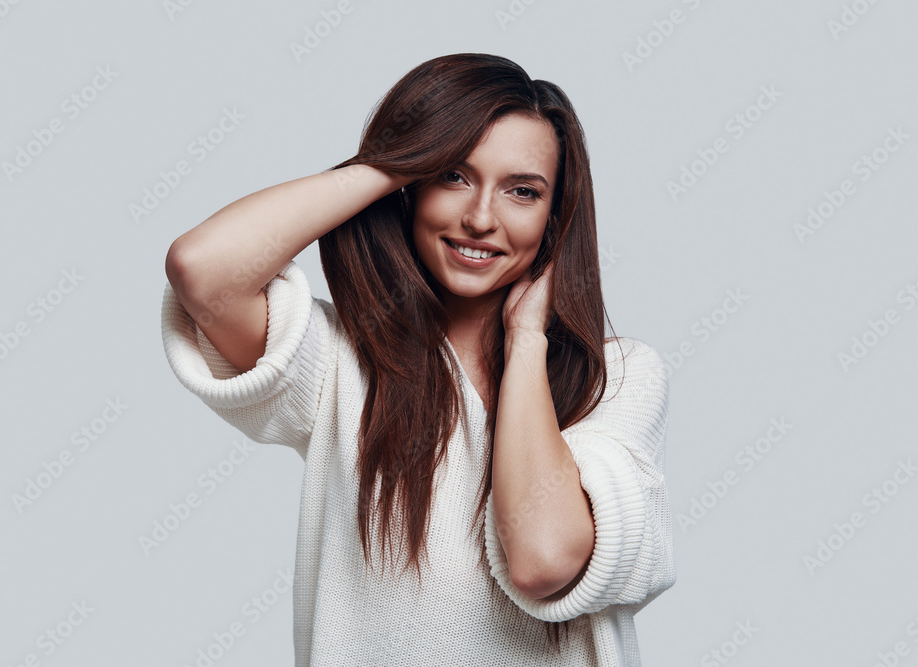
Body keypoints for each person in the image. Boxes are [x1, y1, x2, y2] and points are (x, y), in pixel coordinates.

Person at [161, 52, 675, 666]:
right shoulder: (340, 363)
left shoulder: (615, 379)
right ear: (411, 189)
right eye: (453, 176)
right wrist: (395, 162)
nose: (481, 218)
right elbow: (203, 268)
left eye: (522, 191)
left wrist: (528, 340)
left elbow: (542, 559)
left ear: (554, 217)